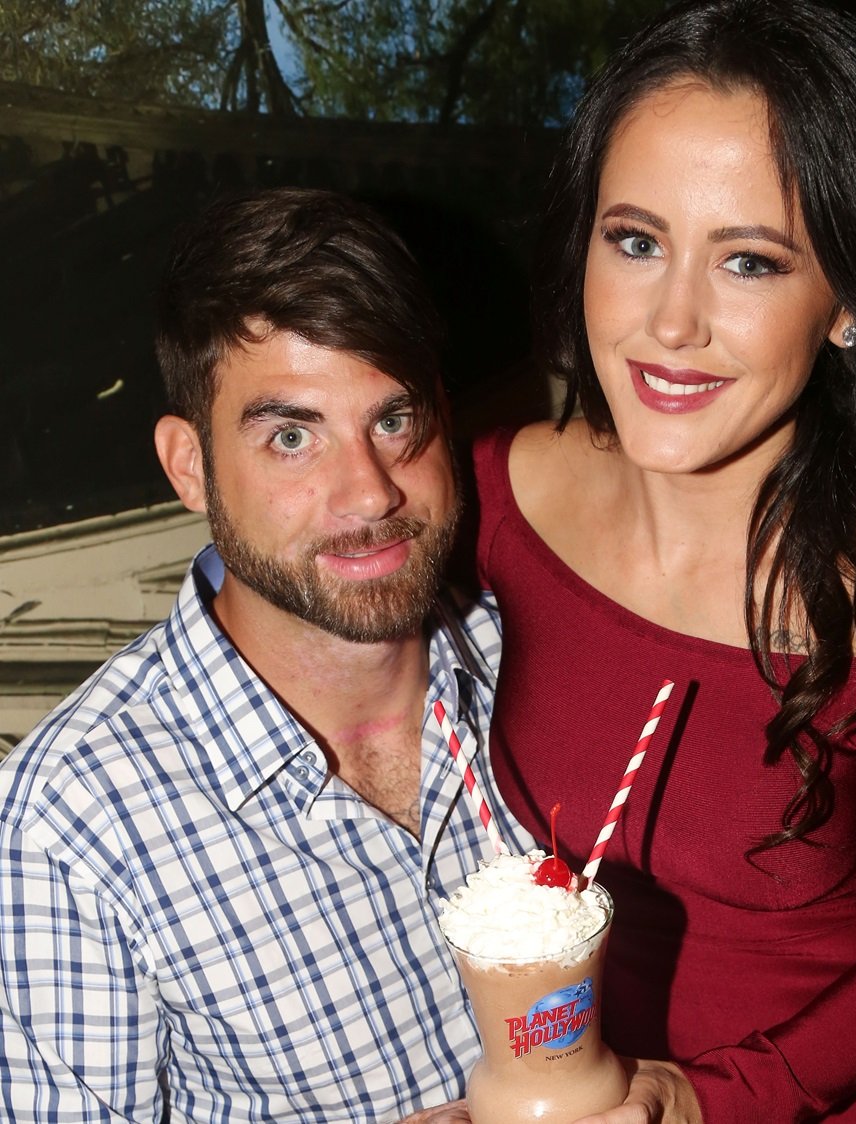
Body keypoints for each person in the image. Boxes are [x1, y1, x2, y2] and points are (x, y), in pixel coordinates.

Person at [470, 1, 856, 1121]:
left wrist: (703, 1099)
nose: (672, 321)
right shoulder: (493, 498)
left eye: (749, 261)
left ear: (848, 301)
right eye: (636, 239)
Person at [0, 187, 538, 1122]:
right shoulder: (71, 828)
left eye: (395, 419)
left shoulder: (539, 660)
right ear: (190, 467)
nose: (368, 492)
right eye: (291, 436)